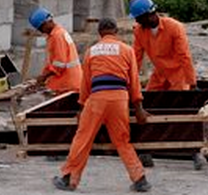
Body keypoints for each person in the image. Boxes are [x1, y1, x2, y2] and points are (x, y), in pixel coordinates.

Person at [53, 18, 152, 192]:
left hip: (97, 98)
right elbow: (134, 83)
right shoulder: (127, 50)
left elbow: (86, 84)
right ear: (116, 32)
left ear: (99, 33)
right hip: (120, 99)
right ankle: (140, 179)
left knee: (83, 139)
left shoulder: (91, 52)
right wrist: (139, 109)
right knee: (122, 141)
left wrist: (82, 107)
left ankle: (69, 178)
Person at [130, 0, 204, 170]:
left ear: (149, 15)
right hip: (160, 73)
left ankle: (194, 151)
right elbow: (135, 58)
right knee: (148, 105)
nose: (138, 22)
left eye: (139, 19)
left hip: (178, 74)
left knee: (182, 110)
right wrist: (129, 82)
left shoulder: (174, 27)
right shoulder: (140, 31)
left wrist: (192, 83)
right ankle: (147, 149)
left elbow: (184, 56)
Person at [29, 6, 82, 94]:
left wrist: (44, 76)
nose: (41, 32)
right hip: (70, 81)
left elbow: (59, 64)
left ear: (47, 22)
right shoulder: (58, 33)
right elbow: (52, 62)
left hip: (67, 84)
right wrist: (43, 75)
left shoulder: (57, 36)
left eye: (41, 28)